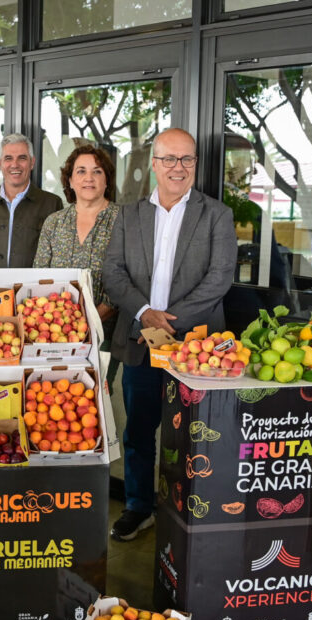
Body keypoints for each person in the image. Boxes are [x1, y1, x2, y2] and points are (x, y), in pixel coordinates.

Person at [103, 128, 236, 541]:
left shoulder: (217, 215)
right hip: (142, 342)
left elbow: (220, 279)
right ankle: (139, 506)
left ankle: (187, 512)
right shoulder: (129, 215)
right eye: (170, 159)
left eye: (187, 159)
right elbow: (113, 272)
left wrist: (169, 320)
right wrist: (145, 313)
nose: (179, 168)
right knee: (139, 430)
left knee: (194, 435)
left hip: (196, 348)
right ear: (154, 165)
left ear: (195, 164)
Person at [34, 144, 120, 324]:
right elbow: (39, 277)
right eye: (81, 171)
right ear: (70, 181)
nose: (89, 178)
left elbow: (127, 279)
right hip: (56, 329)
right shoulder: (54, 222)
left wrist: (90, 321)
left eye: (97, 172)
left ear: (107, 180)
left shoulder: (123, 221)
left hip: (109, 332)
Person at [0, 133, 63, 268]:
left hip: (32, 288)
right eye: (8, 158)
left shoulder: (52, 204)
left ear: (32, 162)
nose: (15, 165)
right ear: (0, 164)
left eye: (22, 158)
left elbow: (56, 257)